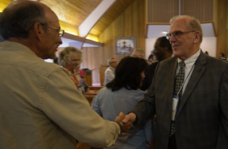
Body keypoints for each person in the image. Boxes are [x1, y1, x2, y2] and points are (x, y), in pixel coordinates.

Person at [0, 1, 132, 149]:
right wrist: (118, 126)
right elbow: (96, 133)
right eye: (58, 31)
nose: (60, 40)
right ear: (39, 30)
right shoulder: (47, 74)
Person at [122, 15, 228, 149]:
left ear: (196, 37)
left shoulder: (221, 70)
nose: (172, 40)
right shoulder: (162, 67)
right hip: (165, 143)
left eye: (177, 34)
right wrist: (133, 116)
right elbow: (150, 100)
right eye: (170, 35)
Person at [92, 56, 154, 149]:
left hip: (110, 144)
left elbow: (94, 118)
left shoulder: (102, 92)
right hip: (136, 145)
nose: (144, 76)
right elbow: (148, 127)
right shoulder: (141, 96)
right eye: (143, 72)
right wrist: (152, 144)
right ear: (134, 74)